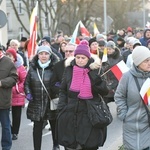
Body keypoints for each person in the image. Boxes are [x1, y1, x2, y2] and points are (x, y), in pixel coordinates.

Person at [56, 40, 109, 150]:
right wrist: (61, 108)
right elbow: (63, 90)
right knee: (70, 145)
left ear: (88, 58)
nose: (80, 60)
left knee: (89, 145)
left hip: (89, 115)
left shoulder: (96, 70)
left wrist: (97, 82)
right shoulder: (69, 69)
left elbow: (105, 92)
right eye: (78, 57)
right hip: (70, 114)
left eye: (83, 58)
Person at [24, 45, 60, 150]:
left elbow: (61, 82)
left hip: (51, 101)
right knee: (37, 128)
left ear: (50, 55)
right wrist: (28, 93)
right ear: (37, 55)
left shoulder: (55, 68)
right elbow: (27, 84)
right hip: (36, 102)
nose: (43, 56)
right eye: (41, 53)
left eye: (46, 53)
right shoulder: (32, 68)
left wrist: (57, 87)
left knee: (54, 125)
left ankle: (56, 145)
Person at [114, 46, 150, 150]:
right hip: (130, 125)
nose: (149, 63)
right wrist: (124, 113)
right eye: (146, 60)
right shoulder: (127, 77)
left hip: (147, 124)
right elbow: (119, 96)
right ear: (138, 62)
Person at [5, 48, 27, 140]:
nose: (8, 57)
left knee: (16, 115)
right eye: (7, 55)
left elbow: (24, 80)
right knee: (5, 114)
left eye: (10, 55)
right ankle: (9, 129)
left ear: (14, 57)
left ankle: (15, 132)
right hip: (5, 94)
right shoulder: (4, 65)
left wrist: (17, 89)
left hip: (17, 94)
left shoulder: (20, 67)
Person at [0, 46, 18, 150]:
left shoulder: (8, 62)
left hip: (3, 100)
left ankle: (6, 147)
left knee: (5, 125)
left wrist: (2, 83)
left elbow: (14, 78)